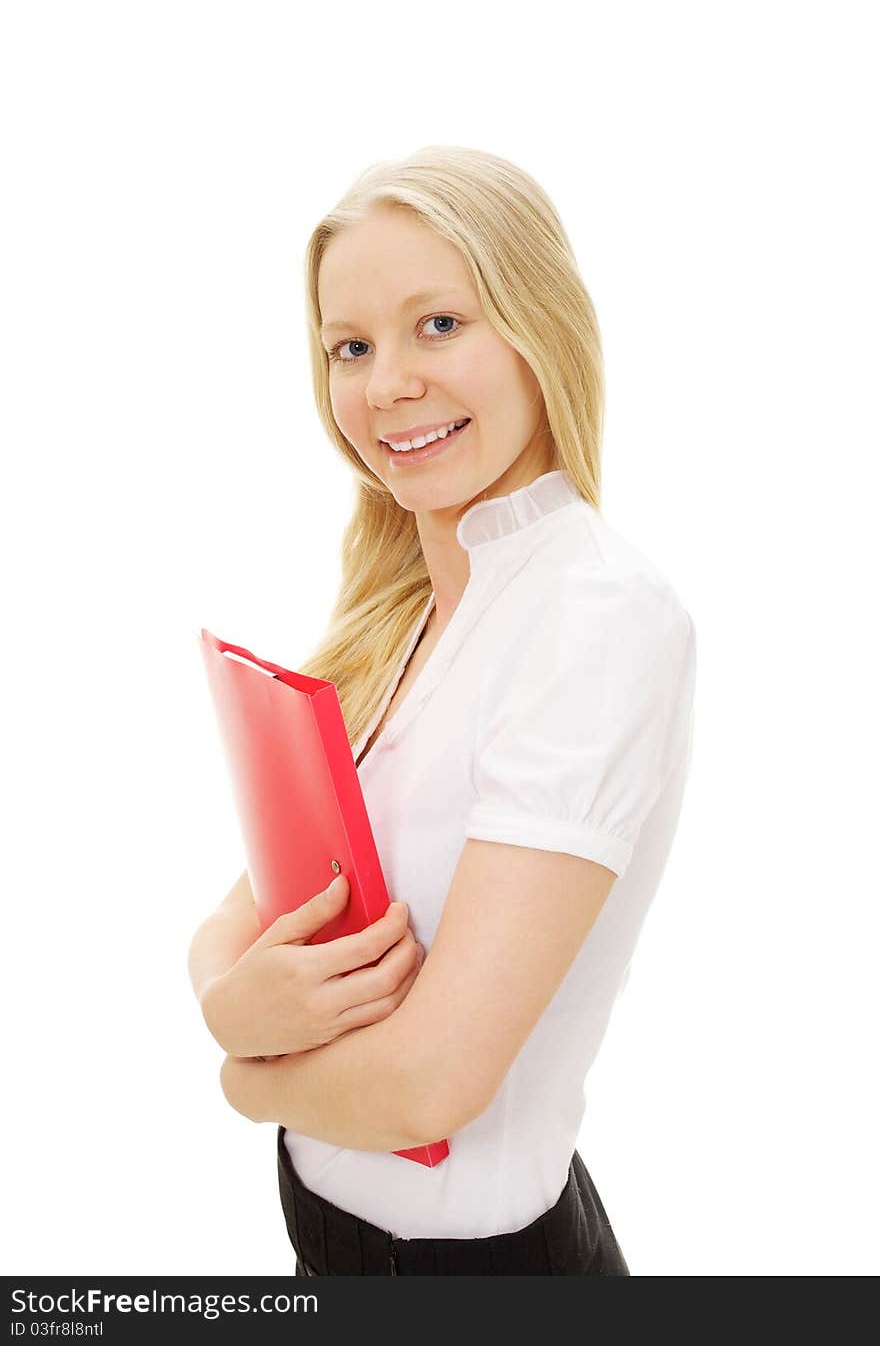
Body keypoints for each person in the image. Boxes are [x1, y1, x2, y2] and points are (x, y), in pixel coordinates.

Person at [187, 145, 697, 1276]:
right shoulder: (401, 610)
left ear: (540, 326)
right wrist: (237, 1005)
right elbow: (235, 930)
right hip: (332, 1241)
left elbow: (434, 1081)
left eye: (439, 325)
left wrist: (235, 1067)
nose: (386, 386)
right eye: (350, 348)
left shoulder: (593, 616)